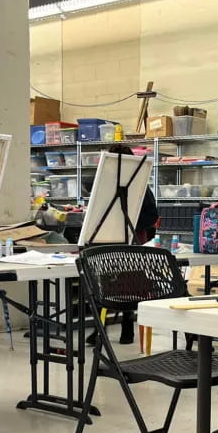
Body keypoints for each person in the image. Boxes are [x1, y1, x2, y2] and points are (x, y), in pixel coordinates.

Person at [83, 144, 159, 345]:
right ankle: (101, 330)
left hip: (131, 240)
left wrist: (128, 223)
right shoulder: (105, 184)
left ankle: (125, 328)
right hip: (108, 238)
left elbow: (152, 216)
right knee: (106, 283)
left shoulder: (140, 185)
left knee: (125, 284)